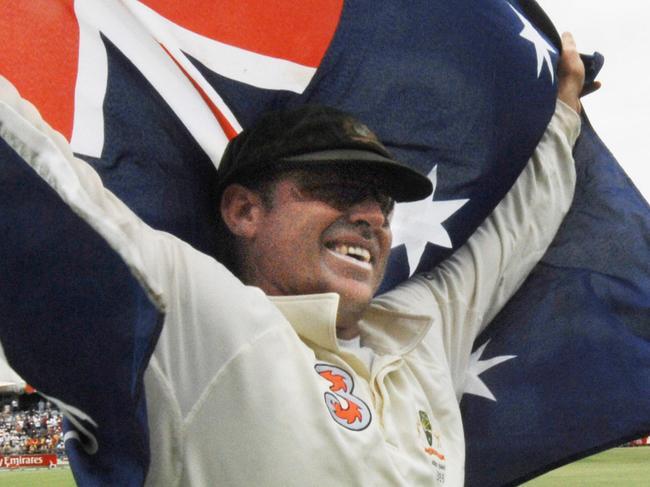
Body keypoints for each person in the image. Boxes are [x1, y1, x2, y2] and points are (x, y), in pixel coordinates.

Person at [0, 32, 589, 486]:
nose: (371, 216)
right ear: (243, 212)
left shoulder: (416, 337)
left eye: (381, 201)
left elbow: (510, 241)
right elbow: (41, 177)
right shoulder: (200, 322)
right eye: (336, 186)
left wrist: (561, 113)